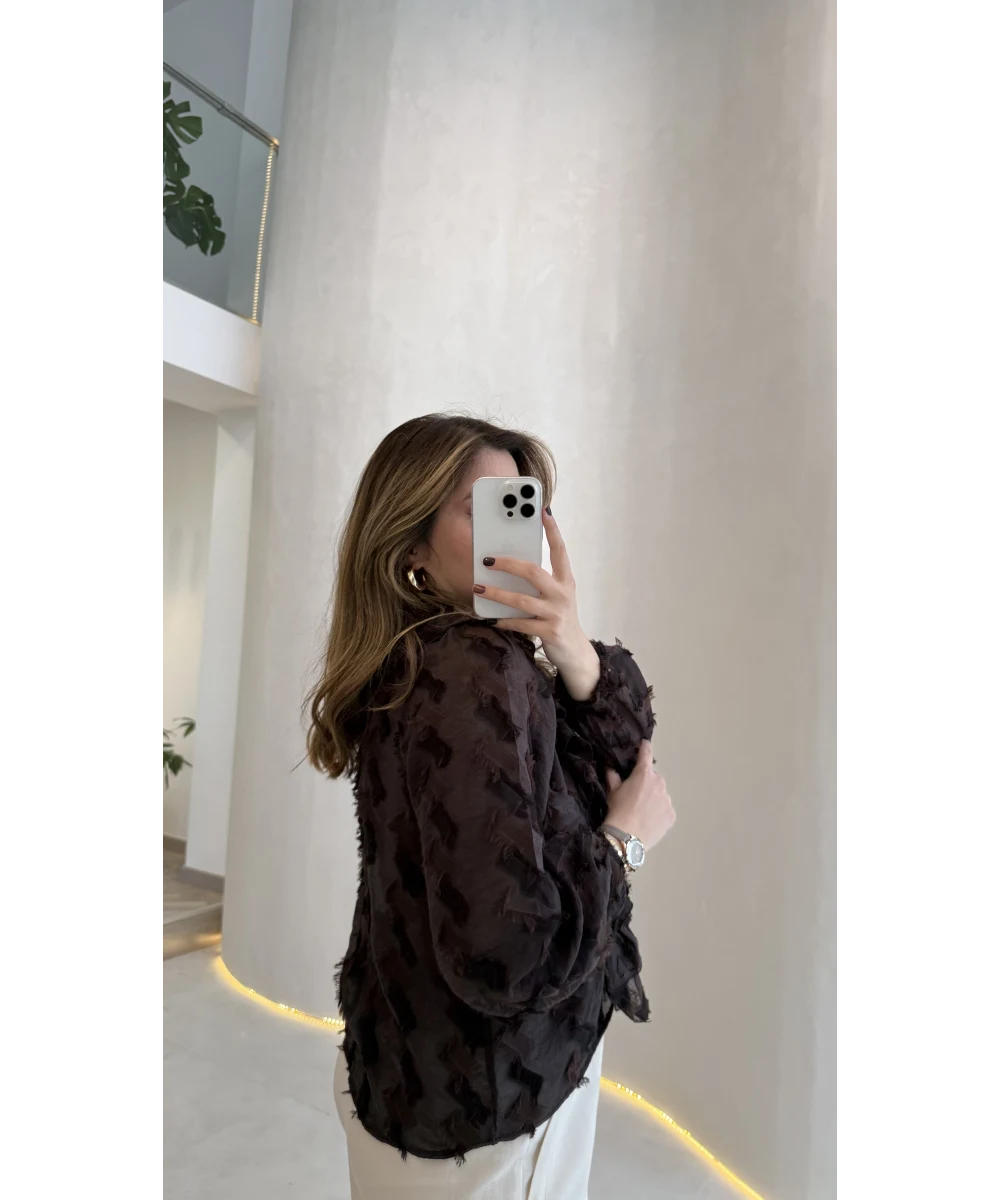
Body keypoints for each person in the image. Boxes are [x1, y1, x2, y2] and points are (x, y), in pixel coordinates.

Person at [305, 414, 676, 1198]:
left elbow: (619, 748)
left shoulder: (427, 658)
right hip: (493, 1101)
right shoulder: (472, 671)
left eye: (523, 504)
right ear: (410, 548)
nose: (518, 534)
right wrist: (624, 843)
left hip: (414, 1070)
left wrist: (572, 646)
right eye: (484, 509)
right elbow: (507, 955)